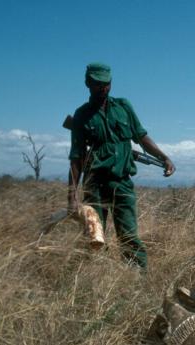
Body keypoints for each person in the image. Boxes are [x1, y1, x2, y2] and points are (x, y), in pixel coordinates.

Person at [68, 63, 175, 270]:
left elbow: (141, 137)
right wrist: (71, 197)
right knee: (94, 237)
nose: (103, 88)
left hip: (122, 183)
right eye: (98, 84)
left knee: (128, 236)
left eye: (107, 84)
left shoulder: (124, 106)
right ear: (88, 83)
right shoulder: (81, 115)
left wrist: (164, 158)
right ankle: (92, 278)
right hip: (94, 185)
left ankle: (136, 280)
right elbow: (76, 158)